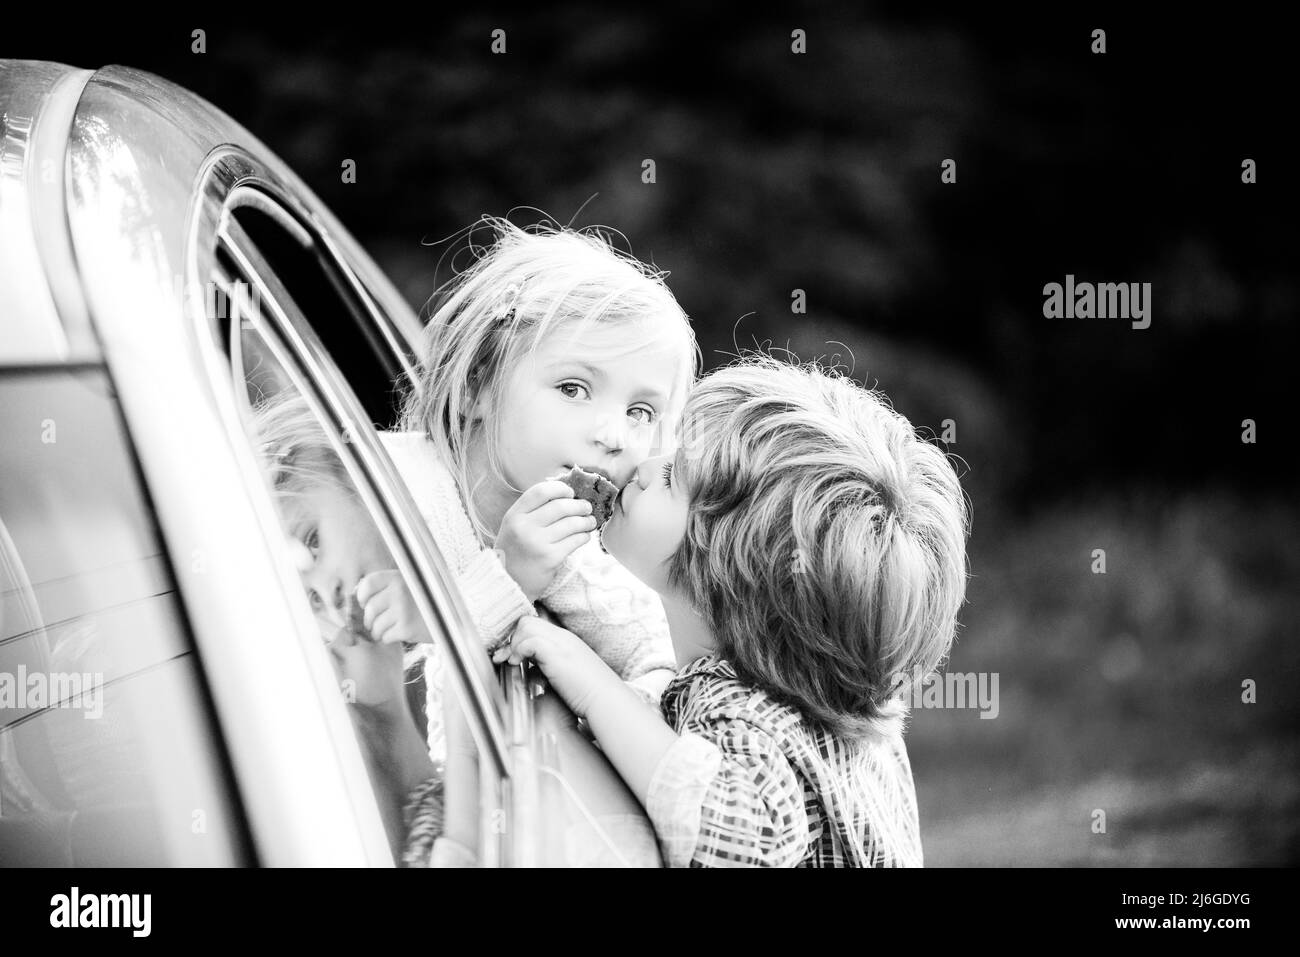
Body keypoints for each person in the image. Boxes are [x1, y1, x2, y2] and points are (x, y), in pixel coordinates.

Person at [495, 356, 971, 866]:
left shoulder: (742, 715)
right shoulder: (839, 711)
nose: (647, 466)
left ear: (728, 568)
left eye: (674, 477)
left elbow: (737, 841)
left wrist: (592, 688)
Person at [380, 216, 699, 760]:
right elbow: (384, 674)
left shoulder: (589, 562)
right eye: (574, 388)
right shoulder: (385, 484)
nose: (614, 435)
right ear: (478, 386)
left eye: (641, 411)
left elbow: (660, 686)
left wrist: (595, 700)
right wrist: (509, 578)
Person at [251, 391, 446, 866]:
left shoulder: (478, 535)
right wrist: (385, 708)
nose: (332, 596)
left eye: (313, 540)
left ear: (355, 475)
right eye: (309, 598)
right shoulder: (412, 673)